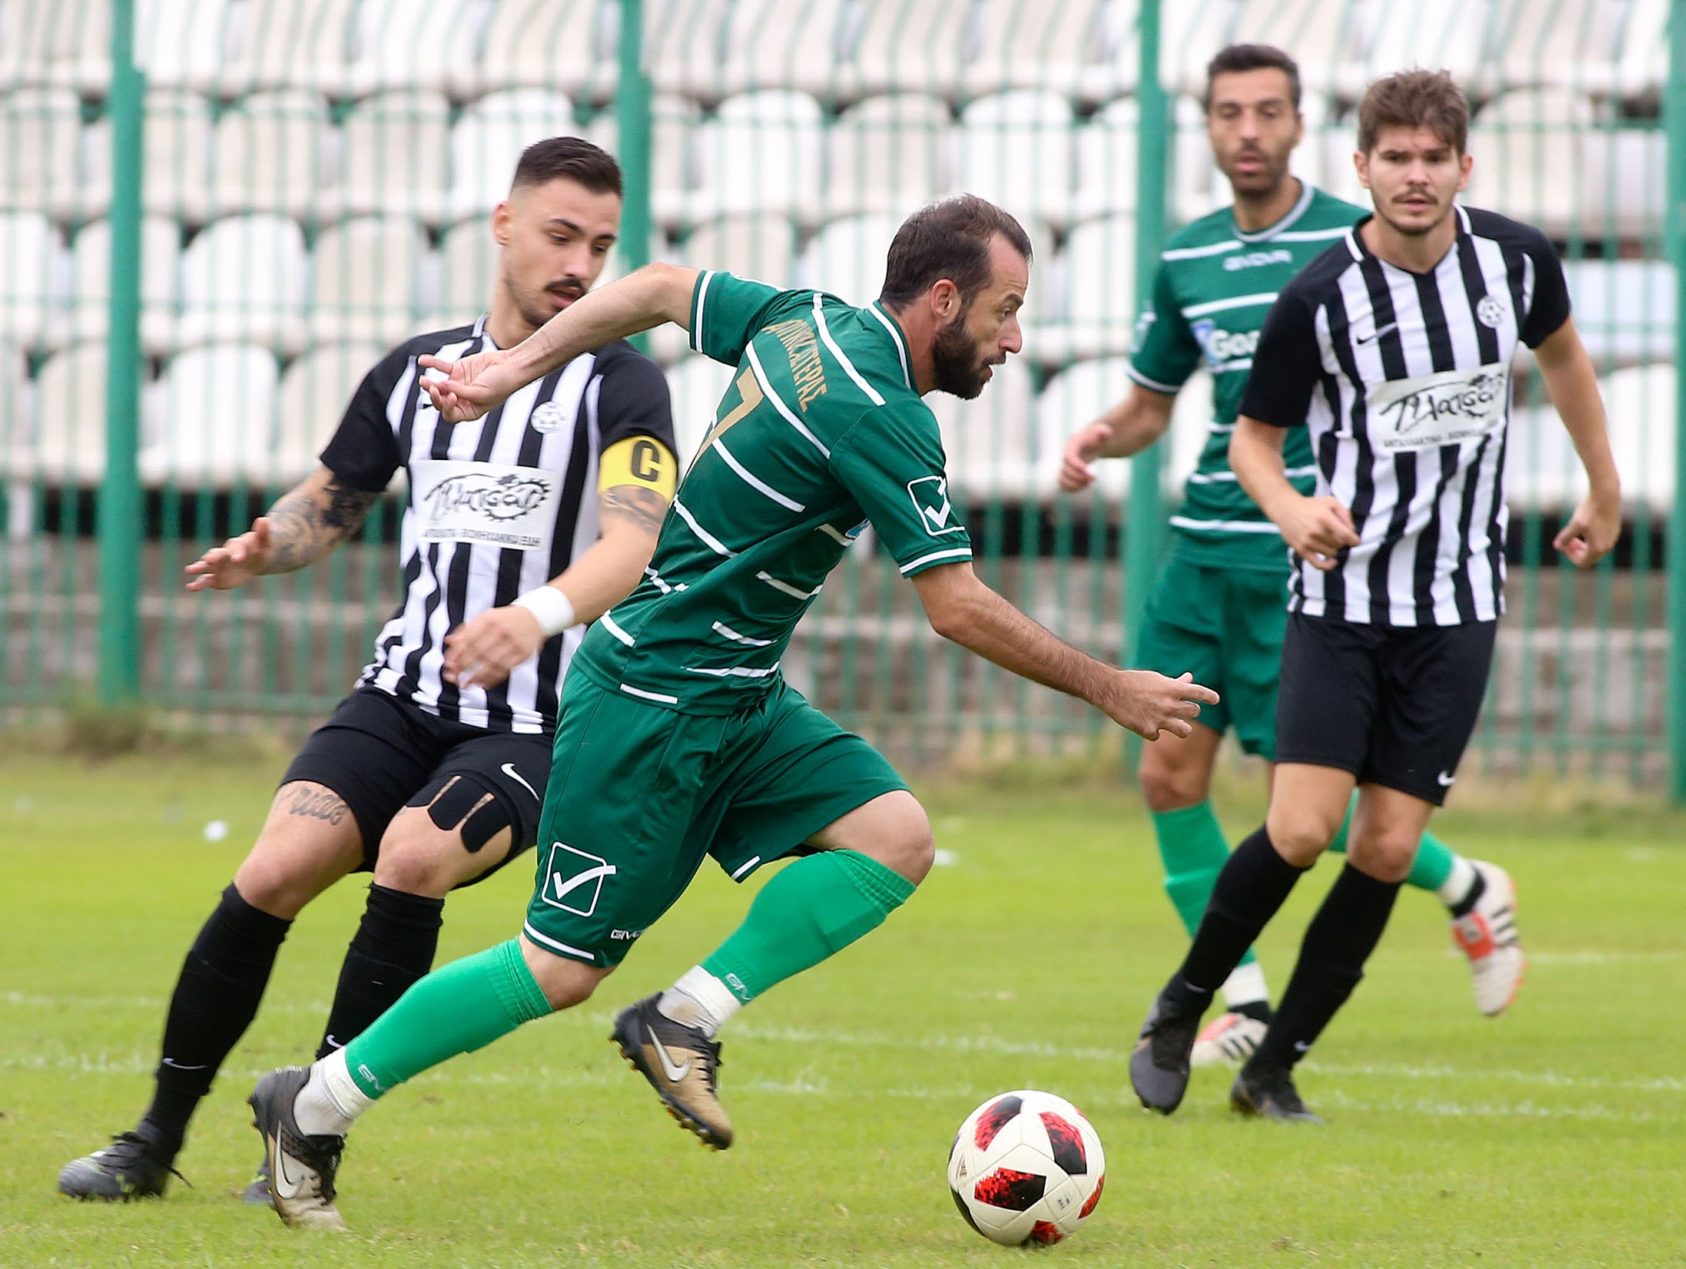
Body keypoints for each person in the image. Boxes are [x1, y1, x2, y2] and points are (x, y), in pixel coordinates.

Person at [240, 195, 1216, 1231]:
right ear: (943, 299)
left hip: (736, 692)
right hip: (651, 702)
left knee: (894, 837)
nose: (1014, 339)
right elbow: (956, 604)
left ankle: (684, 1017)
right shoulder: (884, 414)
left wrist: (510, 368)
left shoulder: (807, 319)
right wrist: (1112, 687)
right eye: (1005, 310)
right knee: (557, 967)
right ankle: (313, 1103)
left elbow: (664, 288)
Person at [57, 138, 678, 1201]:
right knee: (273, 871)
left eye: (600, 245)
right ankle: (152, 1143)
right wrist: (267, 545)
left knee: (415, 854)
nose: (580, 264)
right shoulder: (415, 370)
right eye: (560, 235)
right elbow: (328, 503)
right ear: (504, 225)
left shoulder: (622, 385)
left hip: (534, 725)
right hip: (402, 696)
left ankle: (307, 1141)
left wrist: (531, 617)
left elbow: (634, 543)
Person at [1128, 69, 1622, 1123]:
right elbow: (1252, 441)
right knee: (1302, 829)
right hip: (1342, 604)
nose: (1414, 175)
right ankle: (1182, 1005)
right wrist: (1290, 509)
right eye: (1395, 157)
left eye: (1433, 157)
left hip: (1457, 606)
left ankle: (1272, 1070)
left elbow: (1566, 358)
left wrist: (1604, 487)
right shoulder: (1320, 296)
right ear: (1361, 167)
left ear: (1464, 166)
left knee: (1389, 847)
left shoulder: (1516, 262)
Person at [1059, 45, 1525, 1067]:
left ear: (1304, 127)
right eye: (1230, 112)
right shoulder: (1188, 257)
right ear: (1208, 126)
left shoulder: (1357, 243)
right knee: (1168, 777)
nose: (1249, 130)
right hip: (1201, 557)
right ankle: (1243, 1002)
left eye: (1269, 111)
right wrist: (1102, 437)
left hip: (1309, 566)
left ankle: (1463, 884)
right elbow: (1153, 406)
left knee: (1309, 809)